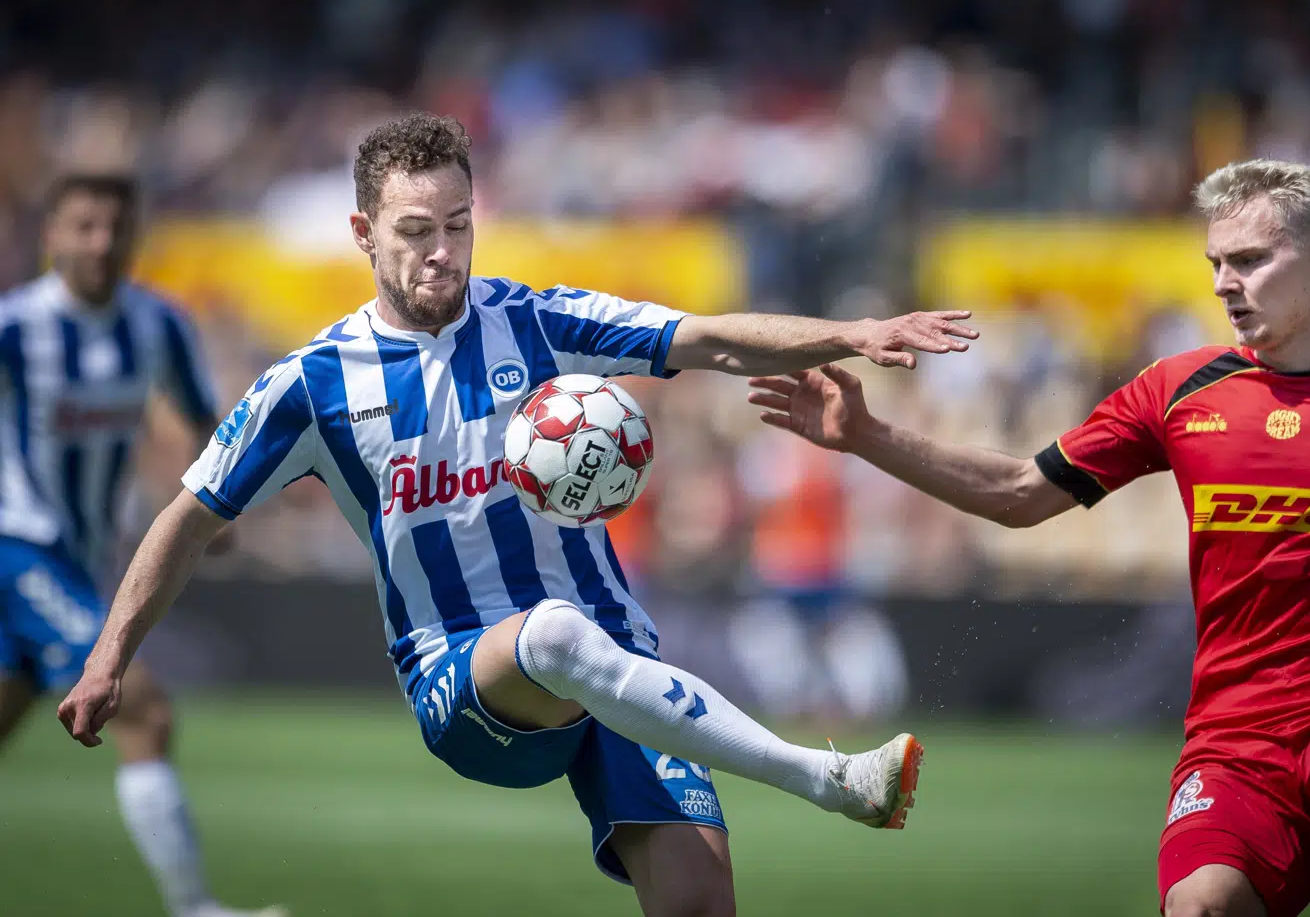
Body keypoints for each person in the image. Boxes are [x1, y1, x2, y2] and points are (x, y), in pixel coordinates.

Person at [57, 112, 973, 917]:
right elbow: (189, 514)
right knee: (553, 633)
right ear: (362, 233)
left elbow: (700, 336)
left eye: (458, 226)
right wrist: (108, 659)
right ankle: (827, 777)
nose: (442, 252)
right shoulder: (313, 382)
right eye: (415, 231)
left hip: (620, 665)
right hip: (463, 679)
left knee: (699, 902)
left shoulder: (533, 322)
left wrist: (854, 332)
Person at [748, 159, 1310, 917]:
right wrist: (868, 436)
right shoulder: (1177, 389)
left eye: (1248, 260)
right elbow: (1018, 494)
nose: (1222, 284)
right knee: (1201, 905)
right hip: (1235, 732)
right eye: (1214, 262)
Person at [0, 174, 285, 917]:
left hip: (82, 554)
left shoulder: (157, 324)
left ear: (135, 237)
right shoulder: (14, 327)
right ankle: (195, 907)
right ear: (51, 237)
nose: (100, 242)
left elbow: (204, 423)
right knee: (144, 709)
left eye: (114, 227)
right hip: (18, 547)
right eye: (83, 225)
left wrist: (212, 513)